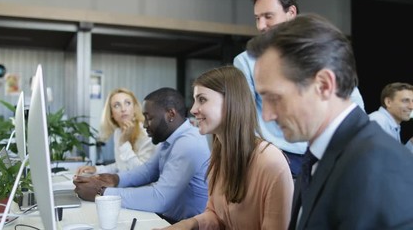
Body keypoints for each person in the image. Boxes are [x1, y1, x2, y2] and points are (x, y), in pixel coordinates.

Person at [247, 13, 413, 229]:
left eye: (275, 98)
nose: (266, 115)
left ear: (324, 85)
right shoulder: (319, 155)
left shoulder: (377, 162)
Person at [233, 0, 365, 177]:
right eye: (257, 18)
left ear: (291, 12)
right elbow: (244, 117)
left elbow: (352, 100)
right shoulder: (246, 61)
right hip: (279, 154)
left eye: (268, 16)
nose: (261, 25)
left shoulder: (315, 50)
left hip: (322, 150)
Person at [157, 66, 294, 230]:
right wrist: (186, 225)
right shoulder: (219, 155)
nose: (193, 109)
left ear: (230, 102)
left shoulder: (271, 163)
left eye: (202, 99)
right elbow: (215, 215)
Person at [73, 87, 210, 224]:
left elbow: (159, 198)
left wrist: (102, 192)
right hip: (168, 219)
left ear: (170, 115)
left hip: (186, 224)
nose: (144, 125)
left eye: (149, 118)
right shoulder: (170, 139)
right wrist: (114, 179)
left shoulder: (189, 142)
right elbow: (148, 171)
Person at [76, 88, 156, 174]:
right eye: (117, 105)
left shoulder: (146, 132)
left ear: (134, 108)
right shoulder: (118, 132)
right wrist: (96, 169)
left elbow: (141, 174)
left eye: (127, 103)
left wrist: (124, 142)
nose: (123, 109)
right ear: (111, 114)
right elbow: (121, 166)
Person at [369, 82, 413, 153]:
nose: (411, 107)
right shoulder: (378, 121)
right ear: (388, 102)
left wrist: (411, 143)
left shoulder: (390, 123)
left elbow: (393, 156)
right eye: (405, 101)